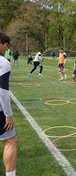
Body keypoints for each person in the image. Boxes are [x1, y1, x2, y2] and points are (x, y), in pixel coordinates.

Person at [0, 32, 17, 176]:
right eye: (6, 45)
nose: (7, 48)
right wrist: (8, 115)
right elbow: (3, 91)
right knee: (11, 140)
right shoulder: (3, 62)